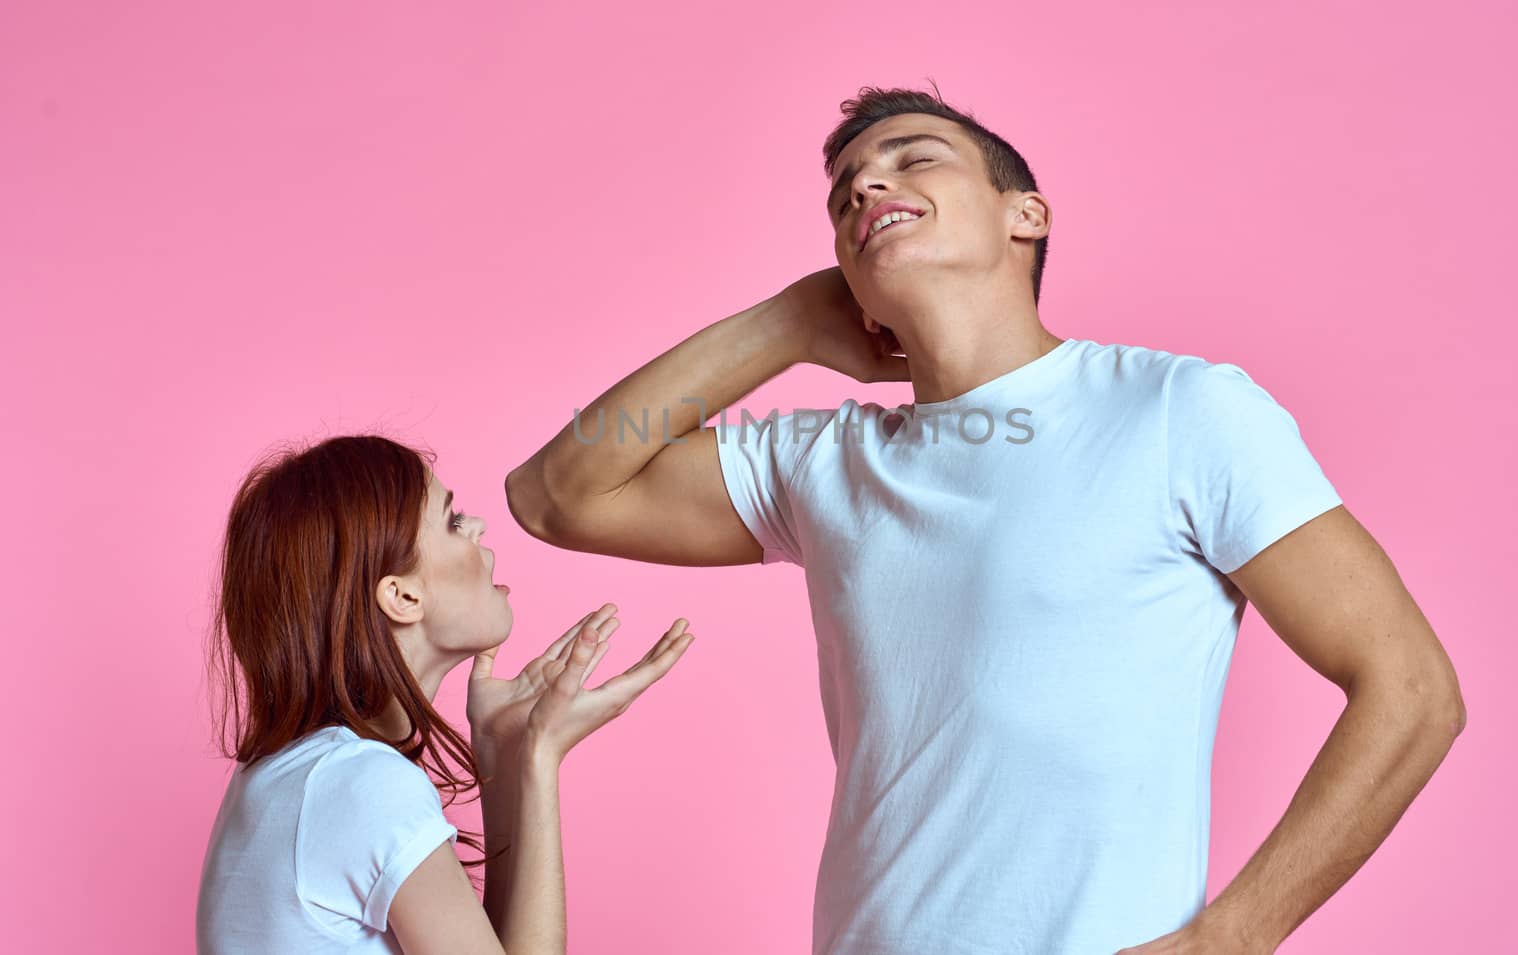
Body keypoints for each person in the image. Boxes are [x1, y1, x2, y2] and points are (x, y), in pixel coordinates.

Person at [504, 85, 1467, 953]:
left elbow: (1412, 688)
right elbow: (558, 489)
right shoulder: (822, 460)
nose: (867, 185)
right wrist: (788, 325)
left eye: (913, 156)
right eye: (844, 194)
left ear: (1026, 215)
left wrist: (1233, 938)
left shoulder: (1179, 411)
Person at [197, 434, 694, 953]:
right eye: (454, 522)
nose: (477, 527)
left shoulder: (291, 777)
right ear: (403, 596)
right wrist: (542, 756)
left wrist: (506, 754)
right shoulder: (362, 787)